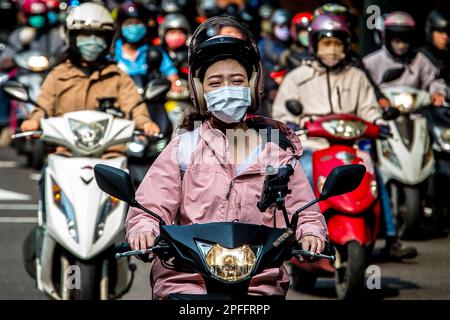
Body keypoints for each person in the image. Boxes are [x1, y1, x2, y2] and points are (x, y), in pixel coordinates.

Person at [125, 16, 328, 299]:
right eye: (215, 83)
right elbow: (151, 204)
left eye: (236, 80)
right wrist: (144, 229)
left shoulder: (276, 150)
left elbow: (303, 209)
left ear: (253, 85)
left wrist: (310, 233)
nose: (226, 89)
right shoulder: (184, 147)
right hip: (187, 280)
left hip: (259, 282)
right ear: (200, 92)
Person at [272, 14, 417, 260]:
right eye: (326, 44)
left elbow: (369, 109)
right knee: (302, 172)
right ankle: (295, 234)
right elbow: (281, 111)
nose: (332, 51)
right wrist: (291, 122)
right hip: (311, 145)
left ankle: (391, 237)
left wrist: (379, 123)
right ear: (315, 45)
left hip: (350, 145)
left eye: (338, 45)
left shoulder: (356, 76)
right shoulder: (297, 76)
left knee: (373, 173)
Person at [20, 2, 159, 137]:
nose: (92, 41)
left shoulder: (116, 76)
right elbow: (43, 106)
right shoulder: (58, 75)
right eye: (85, 34)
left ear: (108, 40)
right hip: (64, 151)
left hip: (108, 154)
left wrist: (145, 123)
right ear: (72, 37)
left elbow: (134, 106)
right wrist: (34, 121)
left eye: (99, 35)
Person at [363, 11, 448, 106]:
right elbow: (363, 87)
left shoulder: (419, 59)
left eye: (405, 40)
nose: (401, 45)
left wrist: (438, 93)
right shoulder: (371, 62)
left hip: (415, 113)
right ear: (386, 39)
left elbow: (433, 80)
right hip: (382, 112)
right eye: (396, 41)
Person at [113, 0, 180, 93]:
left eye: (138, 23)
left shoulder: (154, 52)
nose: (134, 27)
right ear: (120, 26)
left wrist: (176, 83)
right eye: (129, 23)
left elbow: (170, 71)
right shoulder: (112, 51)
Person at [0, 0, 65, 71]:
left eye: (41, 15)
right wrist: (9, 61)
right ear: (25, 16)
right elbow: (8, 54)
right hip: (24, 74)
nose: (38, 18)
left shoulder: (54, 33)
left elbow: (60, 51)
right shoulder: (18, 34)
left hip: (48, 72)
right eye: (33, 15)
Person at [419, 10, 450, 87]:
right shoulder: (418, 58)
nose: (445, 37)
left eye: (448, 32)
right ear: (430, 32)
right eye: (440, 31)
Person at [158, 13, 191, 80]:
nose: (177, 36)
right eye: (172, 32)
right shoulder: (157, 52)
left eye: (181, 32)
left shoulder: (190, 54)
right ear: (163, 33)